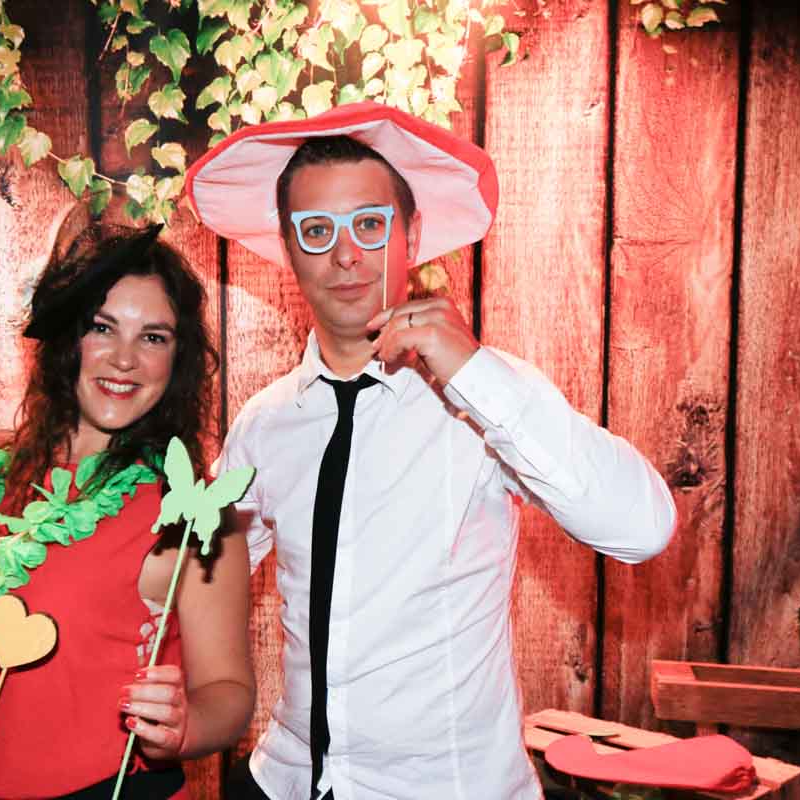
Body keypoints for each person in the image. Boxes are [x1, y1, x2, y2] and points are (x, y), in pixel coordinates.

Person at [184, 102, 677, 799]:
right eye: (318, 231)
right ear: (289, 250)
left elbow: (642, 528)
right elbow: (195, 577)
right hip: (286, 781)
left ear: (411, 236)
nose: (347, 255)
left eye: (370, 225)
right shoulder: (264, 425)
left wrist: (472, 372)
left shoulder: (488, 399)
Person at [0, 224, 255, 799]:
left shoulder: (190, 512)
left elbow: (230, 693)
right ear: (70, 338)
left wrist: (184, 727)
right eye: (102, 327)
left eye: (153, 337)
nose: (125, 359)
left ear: (178, 359)